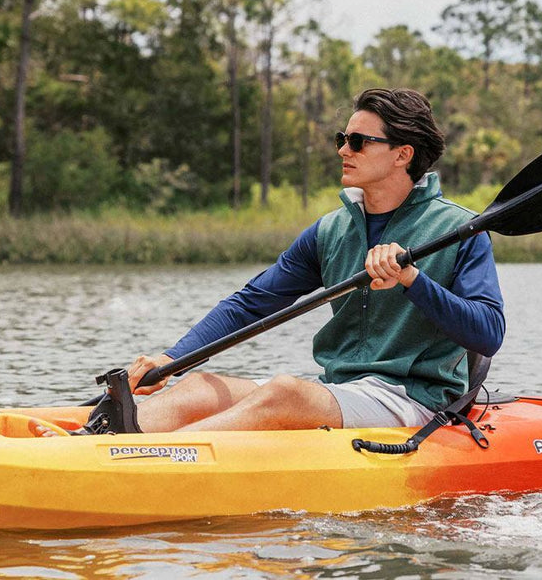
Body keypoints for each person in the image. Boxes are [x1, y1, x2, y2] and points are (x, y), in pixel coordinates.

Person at [128, 88, 505, 433]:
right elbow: (250, 303)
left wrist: (413, 280)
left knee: (285, 393)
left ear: (402, 155)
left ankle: (144, 464)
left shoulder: (460, 231)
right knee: (199, 388)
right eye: (342, 140)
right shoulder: (331, 230)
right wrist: (173, 357)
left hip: (410, 399)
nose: (343, 150)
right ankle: (95, 448)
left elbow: (488, 335)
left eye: (358, 142)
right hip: (338, 389)